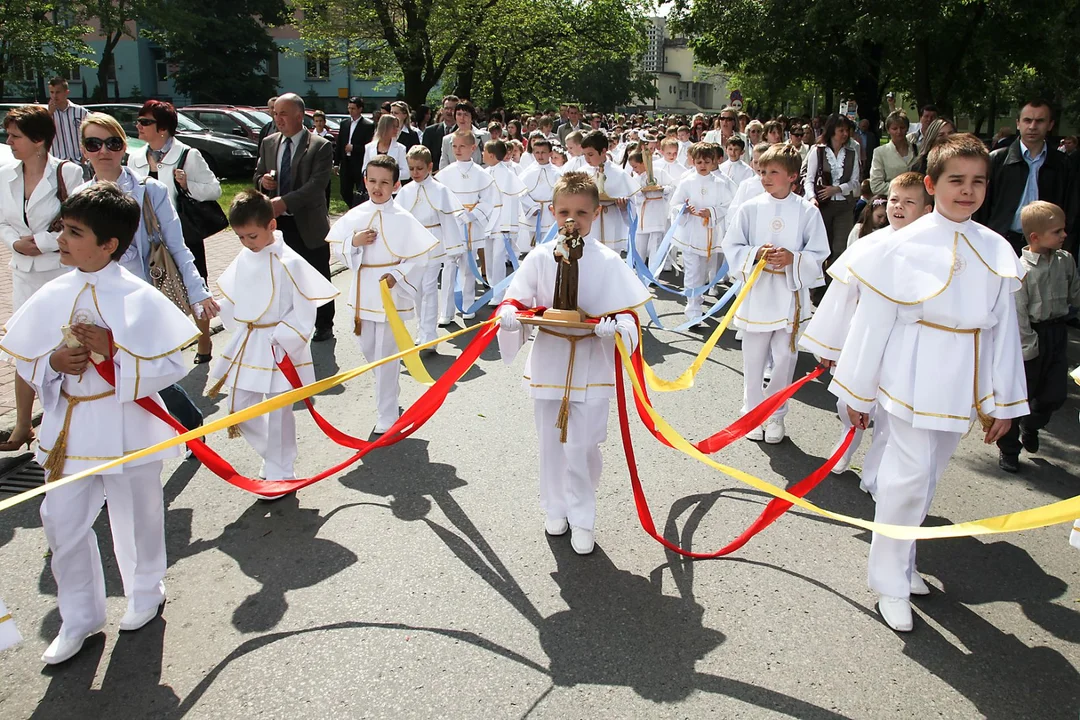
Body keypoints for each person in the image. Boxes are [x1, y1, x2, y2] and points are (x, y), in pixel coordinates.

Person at [828, 135, 1027, 632]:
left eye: (977, 181)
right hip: (909, 371)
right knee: (907, 476)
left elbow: (1003, 330)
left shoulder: (996, 248)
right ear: (933, 184)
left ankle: (906, 563)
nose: (967, 190)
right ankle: (888, 582)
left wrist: (1003, 400)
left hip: (960, 378)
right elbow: (872, 322)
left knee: (929, 478)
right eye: (956, 180)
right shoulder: (898, 246)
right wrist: (857, 390)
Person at [0, 183, 199, 664]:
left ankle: (145, 591)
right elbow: (27, 359)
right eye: (62, 229)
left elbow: (174, 363)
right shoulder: (53, 292)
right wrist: (53, 363)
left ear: (109, 245)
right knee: (59, 520)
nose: (61, 239)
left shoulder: (137, 296)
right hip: (70, 426)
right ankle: (80, 617)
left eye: (73, 232)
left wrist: (115, 353)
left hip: (126, 420)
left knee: (136, 515)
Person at [495, 171, 649, 555]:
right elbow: (516, 298)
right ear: (550, 211)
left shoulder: (609, 261)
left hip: (591, 365)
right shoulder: (539, 257)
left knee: (583, 445)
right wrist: (510, 316)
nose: (571, 219)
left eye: (581, 212)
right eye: (563, 210)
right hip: (549, 360)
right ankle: (555, 507)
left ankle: (583, 514)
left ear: (595, 214)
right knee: (550, 442)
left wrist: (615, 327)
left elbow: (631, 316)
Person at [76, 113, 217, 434]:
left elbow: (178, 246)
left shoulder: (149, 190)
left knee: (145, 369)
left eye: (111, 142)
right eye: (93, 144)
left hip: (143, 296)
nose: (103, 151)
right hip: (99, 299)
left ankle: (190, 423)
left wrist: (198, 292)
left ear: (124, 146)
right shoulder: (79, 196)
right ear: (84, 150)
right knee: (115, 372)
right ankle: (130, 442)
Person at [800, 172, 933, 486]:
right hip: (863, 336)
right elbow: (841, 296)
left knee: (890, 412)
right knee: (850, 399)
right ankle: (846, 445)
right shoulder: (869, 244)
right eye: (894, 200)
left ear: (927, 210)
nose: (898, 207)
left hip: (904, 345)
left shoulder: (934, 252)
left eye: (909, 202)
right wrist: (829, 346)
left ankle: (875, 474)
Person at [207, 190, 339, 491]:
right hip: (251, 339)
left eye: (251, 236)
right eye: (240, 237)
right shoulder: (245, 256)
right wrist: (221, 306)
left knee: (279, 410)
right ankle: (277, 458)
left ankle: (282, 471)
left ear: (271, 226)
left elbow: (304, 308)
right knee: (241, 407)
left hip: (279, 344)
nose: (246, 244)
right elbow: (236, 294)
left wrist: (284, 338)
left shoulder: (290, 263)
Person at [721, 144, 829, 444]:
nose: (765, 177)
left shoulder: (807, 210)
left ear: (792, 176)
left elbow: (819, 251)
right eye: (762, 171)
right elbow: (732, 245)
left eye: (773, 172)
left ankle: (776, 412)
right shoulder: (751, 207)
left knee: (785, 357)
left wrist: (793, 258)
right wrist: (756, 253)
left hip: (789, 295)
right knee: (753, 358)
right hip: (758, 293)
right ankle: (752, 412)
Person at [328, 156, 436, 433]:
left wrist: (397, 276)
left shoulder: (403, 219)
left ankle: (386, 412)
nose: (378, 187)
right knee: (367, 348)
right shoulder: (356, 214)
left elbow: (419, 257)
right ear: (365, 181)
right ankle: (388, 388)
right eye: (373, 181)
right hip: (364, 292)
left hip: (390, 292)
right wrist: (354, 242)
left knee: (386, 353)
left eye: (385, 182)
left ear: (396, 185)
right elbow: (337, 246)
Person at [0, 106, 86, 452]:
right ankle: (23, 426)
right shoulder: (6, 173)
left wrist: (41, 242)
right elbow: (2, 221)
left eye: (15, 136)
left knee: (64, 350)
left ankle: (69, 423)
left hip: (59, 273)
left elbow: (78, 220)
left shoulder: (68, 173)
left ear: (39, 141)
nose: (9, 142)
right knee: (24, 347)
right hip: (23, 273)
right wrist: (15, 243)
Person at [129, 99, 222, 364]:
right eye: (139, 121)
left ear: (163, 128)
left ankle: (204, 341)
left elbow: (214, 190)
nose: (139, 126)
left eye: (145, 122)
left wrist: (187, 183)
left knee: (195, 284)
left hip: (182, 234)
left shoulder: (187, 154)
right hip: (145, 238)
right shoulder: (136, 156)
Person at [996, 201, 1080, 472]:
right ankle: (1009, 449)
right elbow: (1019, 313)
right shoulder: (1021, 270)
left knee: (1055, 394)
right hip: (1032, 335)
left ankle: (1031, 425)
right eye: (1057, 232)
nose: (1064, 236)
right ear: (1035, 237)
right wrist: (1028, 346)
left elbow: (1075, 292)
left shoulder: (1065, 260)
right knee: (1020, 396)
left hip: (1057, 332)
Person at [255, 93, 336, 342]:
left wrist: (285, 202)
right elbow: (258, 173)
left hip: (308, 224)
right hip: (278, 225)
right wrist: (263, 182)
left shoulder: (319, 146)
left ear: (299, 116)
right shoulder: (269, 143)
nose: (277, 119)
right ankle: (289, 321)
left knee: (317, 273)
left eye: (283, 114)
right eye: (275, 113)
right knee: (283, 276)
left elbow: (317, 185)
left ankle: (324, 323)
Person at [976, 100, 1074, 256]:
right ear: (1018, 123)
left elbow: (1070, 208)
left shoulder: (1063, 164)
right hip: (1002, 240)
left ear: (1050, 125)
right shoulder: (997, 160)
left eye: (1040, 121)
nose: (1033, 126)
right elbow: (982, 206)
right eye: (1027, 120)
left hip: (1046, 245)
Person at [397, 145, 465, 348]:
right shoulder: (405, 191)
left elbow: (448, 221)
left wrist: (453, 249)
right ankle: (422, 329)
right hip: (413, 247)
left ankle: (429, 335)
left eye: (419, 168)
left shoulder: (440, 190)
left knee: (429, 288)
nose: (415, 173)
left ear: (429, 166)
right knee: (416, 290)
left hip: (434, 243)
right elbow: (399, 222)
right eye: (411, 169)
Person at [435, 132, 499, 321]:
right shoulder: (445, 174)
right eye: (454, 146)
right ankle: (445, 311)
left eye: (462, 146)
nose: (457, 150)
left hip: (472, 224)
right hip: (452, 226)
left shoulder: (481, 174)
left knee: (469, 267)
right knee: (448, 268)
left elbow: (489, 200)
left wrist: (473, 214)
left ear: (473, 148)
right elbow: (440, 198)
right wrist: (453, 213)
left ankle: (468, 304)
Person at [670, 143, 737, 323]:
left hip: (709, 234)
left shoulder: (720, 184)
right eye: (699, 161)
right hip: (691, 233)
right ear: (693, 161)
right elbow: (674, 204)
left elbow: (728, 206)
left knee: (704, 270)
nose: (702, 165)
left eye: (707, 162)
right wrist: (685, 208)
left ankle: (698, 300)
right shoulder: (687, 181)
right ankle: (693, 311)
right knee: (692, 271)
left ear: (714, 162)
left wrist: (712, 212)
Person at [804, 114, 862, 272]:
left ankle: (834, 284)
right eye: (841, 130)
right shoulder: (817, 151)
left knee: (840, 247)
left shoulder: (852, 153)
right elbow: (809, 179)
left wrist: (837, 189)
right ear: (831, 130)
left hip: (844, 205)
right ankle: (817, 286)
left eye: (847, 130)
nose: (845, 134)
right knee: (823, 247)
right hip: (823, 206)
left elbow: (855, 182)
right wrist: (812, 198)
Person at [482, 139, 527, 303]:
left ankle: (499, 292)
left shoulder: (507, 174)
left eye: (484, 151)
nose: (482, 154)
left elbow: (511, 200)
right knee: (489, 255)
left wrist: (507, 225)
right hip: (488, 220)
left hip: (501, 221)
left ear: (492, 155)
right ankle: (493, 287)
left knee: (498, 257)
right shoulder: (485, 172)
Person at [578, 131, 635, 253]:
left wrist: (624, 207)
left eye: (591, 154)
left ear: (604, 151)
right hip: (589, 221)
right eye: (584, 155)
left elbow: (633, 203)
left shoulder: (619, 173)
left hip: (612, 220)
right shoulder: (581, 173)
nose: (587, 159)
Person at [518, 136, 564, 251]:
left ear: (550, 153)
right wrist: (531, 207)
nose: (540, 156)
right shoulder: (527, 172)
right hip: (534, 214)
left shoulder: (557, 173)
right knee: (534, 245)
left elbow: (563, 192)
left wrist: (556, 206)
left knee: (551, 244)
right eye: (537, 152)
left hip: (550, 213)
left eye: (543, 152)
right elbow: (520, 192)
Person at [337, 96, 376, 207]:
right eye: (349, 108)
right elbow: (340, 143)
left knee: (361, 190)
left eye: (353, 108)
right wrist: (336, 162)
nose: (350, 111)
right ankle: (353, 207)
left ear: (360, 109)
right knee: (344, 190)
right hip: (346, 162)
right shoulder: (344, 123)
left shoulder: (367, 125)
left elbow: (369, 146)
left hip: (359, 162)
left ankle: (358, 207)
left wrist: (354, 148)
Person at [869, 110, 917, 195]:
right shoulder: (880, 152)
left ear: (907, 128)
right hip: (891, 200)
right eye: (894, 128)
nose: (899, 132)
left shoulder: (918, 149)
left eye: (902, 127)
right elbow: (876, 186)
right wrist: (902, 189)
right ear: (888, 130)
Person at [47, 77, 87, 164]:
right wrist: (49, 114)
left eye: (58, 92)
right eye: (52, 92)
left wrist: (85, 157)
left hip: (79, 161)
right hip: (57, 163)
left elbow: (91, 133)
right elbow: (39, 134)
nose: (54, 96)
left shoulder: (80, 111)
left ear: (66, 92)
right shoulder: (45, 114)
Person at [441, 100, 486, 168]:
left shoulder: (485, 137)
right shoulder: (447, 140)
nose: (462, 118)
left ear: (472, 117)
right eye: (459, 114)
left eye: (466, 114)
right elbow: (443, 167)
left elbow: (490, 164)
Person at [422, 94, 459, 170]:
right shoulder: (430, 131)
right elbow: (424, 157)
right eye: (446, 108)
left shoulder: (462, 132)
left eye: (452, 109)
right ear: (442, 110)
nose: (449, 111)